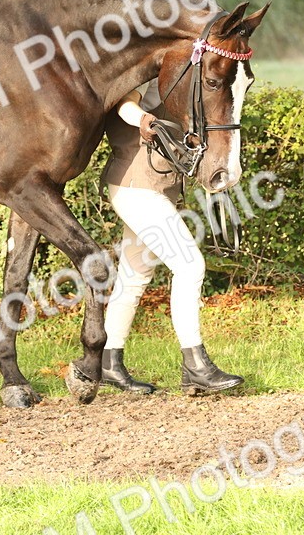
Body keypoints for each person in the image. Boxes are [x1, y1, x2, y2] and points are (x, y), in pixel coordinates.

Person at [99, 78, 244, 395]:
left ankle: (108, 361)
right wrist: (143, 120)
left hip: (151, 186)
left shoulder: (177, 76)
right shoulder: (146, 72)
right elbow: (124, 103)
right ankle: (195, 366)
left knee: (135, 274)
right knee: (190, 265)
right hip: (137, 187)